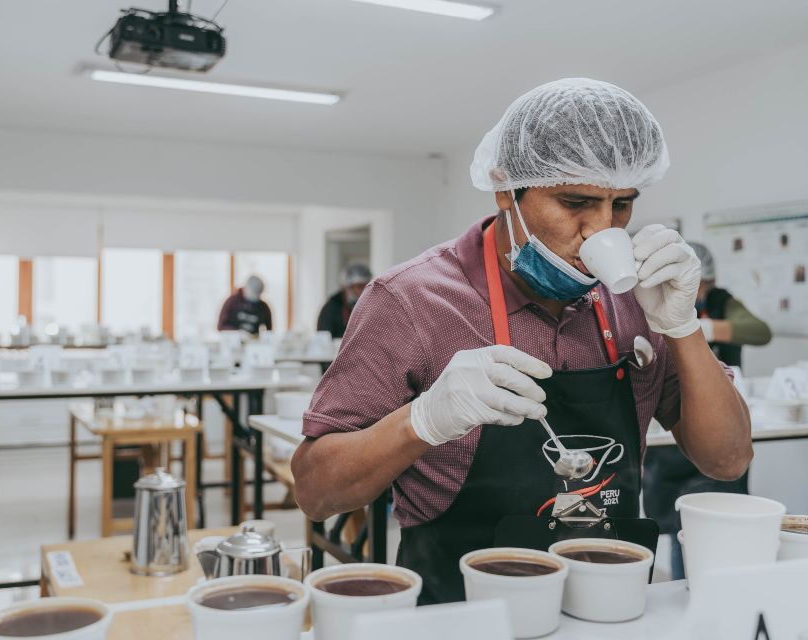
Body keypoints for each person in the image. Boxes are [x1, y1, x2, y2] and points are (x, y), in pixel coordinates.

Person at [292, 79, 753, 604]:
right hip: (463, 606)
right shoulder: (410, 301)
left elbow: (728, 459)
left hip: (611, 599)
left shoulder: (637, 296)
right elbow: (315, 492)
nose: (600, 231)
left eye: (622, 204)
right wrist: (421, 421)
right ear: (505, 189)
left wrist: (683, 325)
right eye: (575, 201)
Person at [643, 241, 771, 579]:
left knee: (717, 524)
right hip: (672, 432)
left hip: (718, 421)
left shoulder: (719, 301)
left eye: (703, 284)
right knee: (675, 523)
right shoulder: (648, 306)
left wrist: (692, 329)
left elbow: (759, 331)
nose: (699, 292)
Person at [317, 264, 372, 338]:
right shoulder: (331, 306)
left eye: (366, 286)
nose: (362, 291)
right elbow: (323, 335)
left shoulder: (371, 305)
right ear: (347, 286)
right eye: (359, 286)